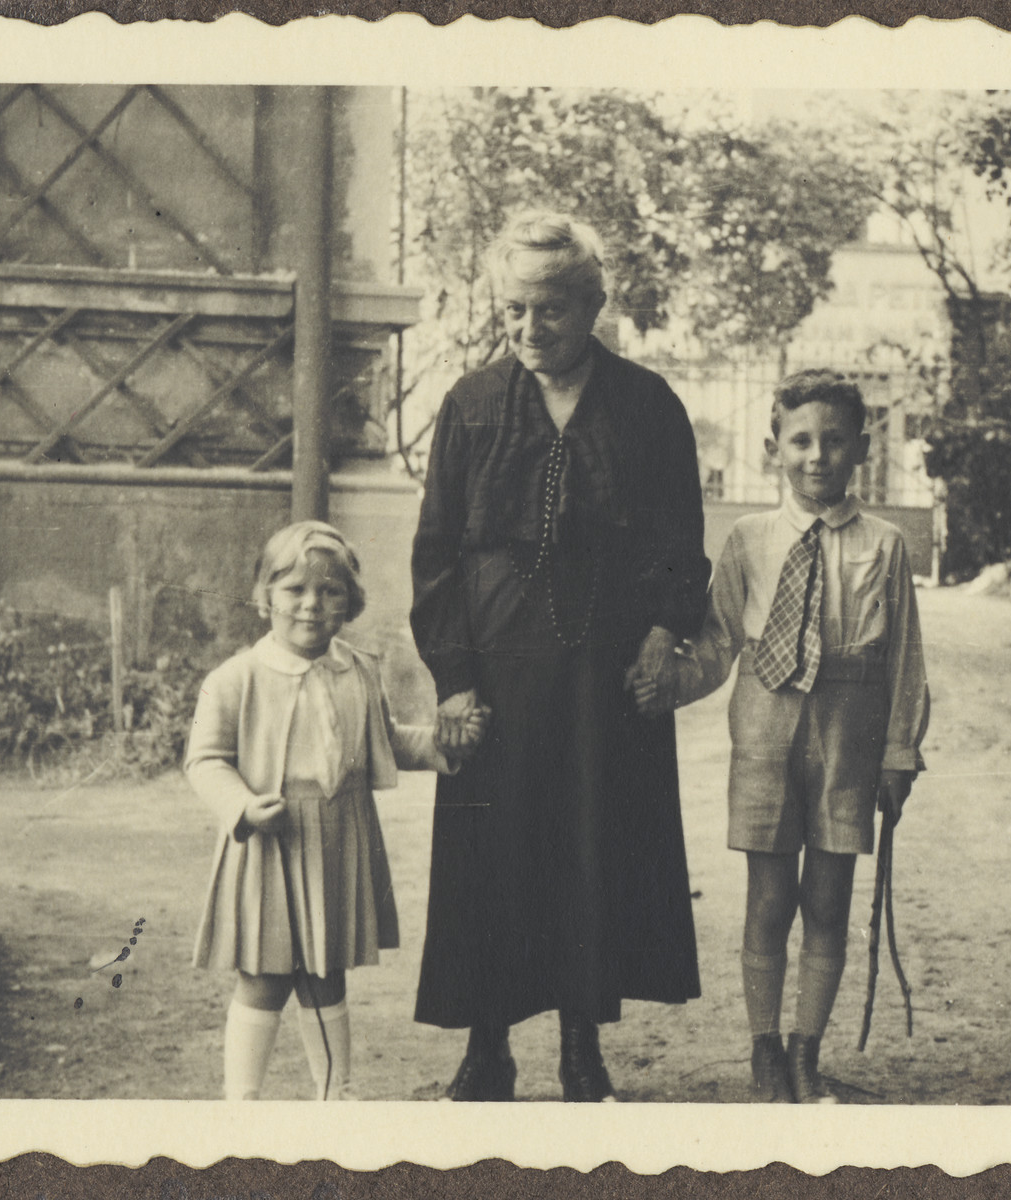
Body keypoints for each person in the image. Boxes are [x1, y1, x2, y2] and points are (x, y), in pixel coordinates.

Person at [410, 211, 711, 1102]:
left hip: (604, 675)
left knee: (593, 849)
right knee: (492, 851)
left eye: (550, 312)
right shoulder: (468, 405)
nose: (530, 331)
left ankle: (583, 1046)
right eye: (513, 312)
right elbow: (435, 556)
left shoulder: (649, 405)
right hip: (497, 671)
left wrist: (663, 632)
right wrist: (453, 678)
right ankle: (486, 1047)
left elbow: (679, 540)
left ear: (592, 306)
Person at [634, 369, 930, 1103]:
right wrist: (661, 686)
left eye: (834, 440)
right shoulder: (748, 539)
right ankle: (765, 1051)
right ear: (773, 448)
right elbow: (717, 641)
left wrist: (899, 751)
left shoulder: (885, 545)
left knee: (828, 901)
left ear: (860, 449)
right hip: (765, 728)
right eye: (800, 440)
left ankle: (806, 1052)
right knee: (769, 900)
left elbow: (904, 660)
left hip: (848, 733)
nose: (816, 455)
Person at [186, 521, 485, 1101]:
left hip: (338, 835)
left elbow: (386, 739)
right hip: (270, 838)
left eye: (330, 591)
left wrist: (443, 746)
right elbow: (205, 761)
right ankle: (241, 1104)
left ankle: (335, 1099)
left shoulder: (360, 669)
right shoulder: (235, 679)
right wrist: (244, 807)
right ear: (264, 595)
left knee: (326, 975)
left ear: (350, 601)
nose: (311, 605)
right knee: (265, 976)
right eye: (295, 589)